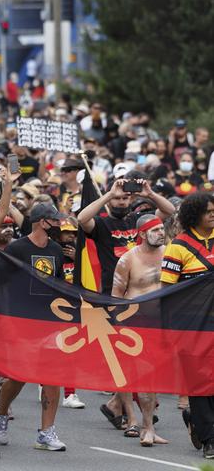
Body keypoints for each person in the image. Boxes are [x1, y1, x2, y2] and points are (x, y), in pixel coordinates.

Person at [0, 203, 68, 451]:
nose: (59, 224)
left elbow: (59, 285)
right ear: (41, 222)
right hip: (22, 321)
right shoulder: (18, 248)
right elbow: (0, 281)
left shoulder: (57, 250)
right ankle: (0, 412)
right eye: (54, 220)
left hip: (50, 321)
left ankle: (46, 432)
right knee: (20, 376)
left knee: (52, 376)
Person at [160, 192, 214, 458]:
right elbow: (166, 291)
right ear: (195, 214)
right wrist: (168, 330)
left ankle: (197, 418)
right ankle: (209, 439)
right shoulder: (178, 246)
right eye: (208, 211)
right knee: (199, 383)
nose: (213, 214)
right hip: (192, 326)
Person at [110, 214, 167, 447]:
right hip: (133, 324)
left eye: (163, 229)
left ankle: (147, 426)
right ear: (142, 234)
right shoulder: (127, 259)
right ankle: (139, 422)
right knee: (137, 375)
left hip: (163, 325)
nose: (161, 233)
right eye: (155, 230)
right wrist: (117, 326)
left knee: (153, 377)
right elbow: (116, 295)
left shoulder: (170, 254)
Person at [77, 178, 175, 294]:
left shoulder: (138, 219)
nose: (121, 202)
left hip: (141, 289)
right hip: (113, 291)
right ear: (108, 201)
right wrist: (109, 195)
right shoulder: (101, 224)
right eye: (117, 199)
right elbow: (81, 219)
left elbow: (169, 211)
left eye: (125, 198)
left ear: (131, 200)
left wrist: (150, 194)